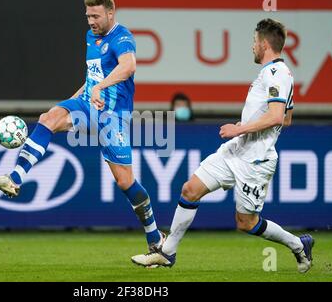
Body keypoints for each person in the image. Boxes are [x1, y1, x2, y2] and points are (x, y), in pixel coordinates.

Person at [0, 0, 165, 252]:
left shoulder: (122, 37)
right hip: (88, 106)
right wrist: (76, 96)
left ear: (111, 13)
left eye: (96, 15)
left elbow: (129, 66)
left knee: (125, 183)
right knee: (49, 118)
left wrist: (99, 87)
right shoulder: (91, 36)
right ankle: (15, 178)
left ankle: (155, 239)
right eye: (88, 15)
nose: (90, 21)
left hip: (112, 117)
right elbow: (93, 76)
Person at [131, 18, 315, 273]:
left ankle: (298, 244)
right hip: (236, 150)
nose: (252, 47)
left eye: (254, 41)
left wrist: (239, 128)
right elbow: (287, 118)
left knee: (246, 223)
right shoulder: (273, 74)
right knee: (190, 189)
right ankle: (167, 253)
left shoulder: (277, 73)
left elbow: (276, 117)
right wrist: (246, 129)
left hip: (255, 161)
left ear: (263, 43)